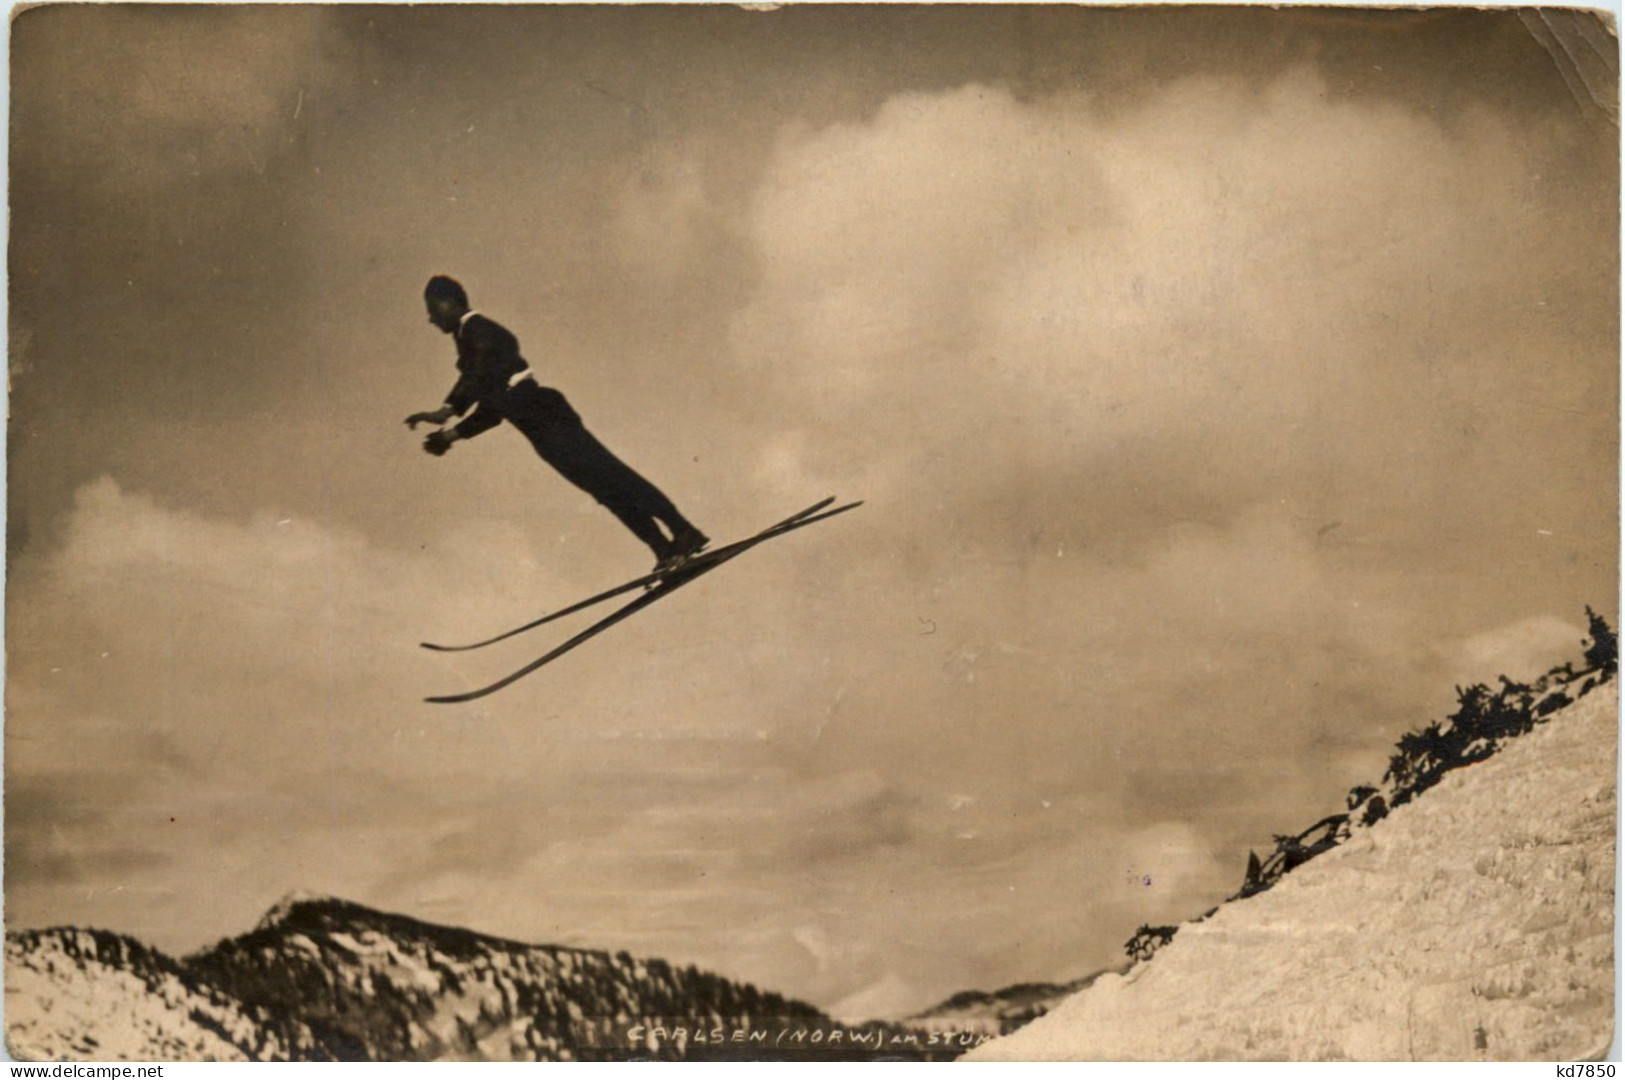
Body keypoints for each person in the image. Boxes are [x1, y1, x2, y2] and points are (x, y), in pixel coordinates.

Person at [406, 275, 709, 574]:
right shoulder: (468, 343)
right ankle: (664, 549)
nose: (430, 319)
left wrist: (447, 410)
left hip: (545, 414)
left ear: (449, 303)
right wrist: (448, 437)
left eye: (432, 309)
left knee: (613, 476)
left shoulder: (480, 331)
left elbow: (479, 373)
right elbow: (492, 408)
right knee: (603, 490)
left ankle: (684, 532)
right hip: (535, 425)